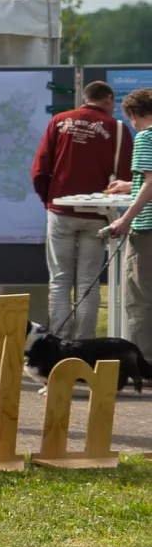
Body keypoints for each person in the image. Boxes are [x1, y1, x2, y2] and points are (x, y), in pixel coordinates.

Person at [34, 79, 123, 338]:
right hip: (98, 214)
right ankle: (84, 347)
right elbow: (128, 176)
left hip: (60, 211)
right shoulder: (116, 129)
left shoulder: (59, 122)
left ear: (85, 98)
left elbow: (39, 171)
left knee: (60, 280)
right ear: (108, 100)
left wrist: (49, 201)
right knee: (88, 283)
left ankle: (60, 345)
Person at [99, 89, 152, 366]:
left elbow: (151, 182)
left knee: (141, 300)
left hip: (147, 228)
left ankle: (146, 366)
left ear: (132, 114)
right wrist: (130, 185)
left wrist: (125, 218)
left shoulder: (145, 136)